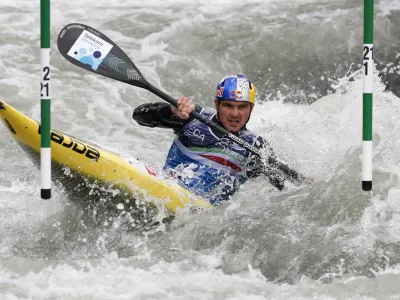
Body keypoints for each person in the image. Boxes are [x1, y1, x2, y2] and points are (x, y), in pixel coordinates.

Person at [132, 74, 302, 205]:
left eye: (242, 107)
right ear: (216, 104)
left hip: (199, 215)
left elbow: (288, 191)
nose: (235, 114)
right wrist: (169, 111)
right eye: (228, 105)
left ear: (251, 109)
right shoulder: (193, 116)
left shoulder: (255, 146)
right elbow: (139, 116)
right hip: (164, 193)